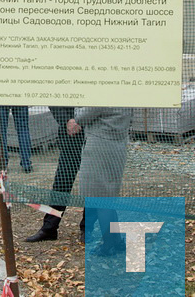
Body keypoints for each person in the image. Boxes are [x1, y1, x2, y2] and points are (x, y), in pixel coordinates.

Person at [67, 106, 133, 256]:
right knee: (107, 196)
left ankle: (108, 244)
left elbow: (82, 116)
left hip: (100, 147)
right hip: (118, 144)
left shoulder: (103, 92)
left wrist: (78, 108)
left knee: (98, 199)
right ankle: (116, 240)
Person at [26, 107, 86, 242]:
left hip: (94, 133)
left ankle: (87, 228)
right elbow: (54, 98)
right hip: (70, 135)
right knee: (62, 181)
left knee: (91, 183)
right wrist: (67, 120)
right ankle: (49, 228)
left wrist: (83, 120)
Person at [0, 106, 34, 173]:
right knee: (23, 129)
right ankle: (26, 164)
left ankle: (2, 165)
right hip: (19, 99)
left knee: (0, 132)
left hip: (1, 99)